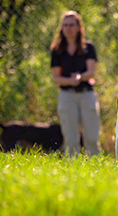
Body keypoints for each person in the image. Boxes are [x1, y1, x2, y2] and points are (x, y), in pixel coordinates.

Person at [50, 10, 101, 157]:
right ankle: (72, 166)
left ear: (79, 27)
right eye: (65, 25)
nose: (69, 28)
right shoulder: (57, 51)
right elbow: (56, 78)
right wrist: (70, 81)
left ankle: (95, 165)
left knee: (91, 136)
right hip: (67, 95)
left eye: (72, 25)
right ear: (61, 28)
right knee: (70, 138)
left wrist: (80, 77)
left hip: (86, 94)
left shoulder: (88, 48)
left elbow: (91, 71)